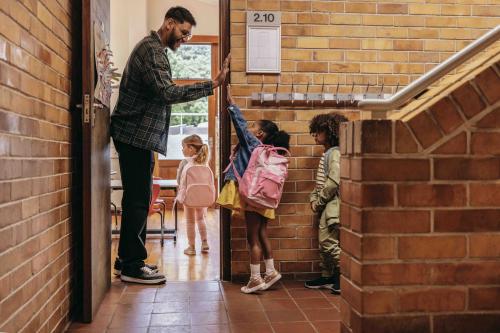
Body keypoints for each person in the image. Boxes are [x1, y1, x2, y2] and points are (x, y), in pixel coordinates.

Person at [110, 6, 230, 284]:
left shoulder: (154, 50)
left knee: (139, 199)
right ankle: (131, 265)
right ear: (169, 23)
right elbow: (167, 92)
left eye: (188, 36)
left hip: (138, 136)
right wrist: (212, 84)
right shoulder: (152, 51)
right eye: (183, 33)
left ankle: (127, 259)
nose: (184, 39)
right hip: (134, 136)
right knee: (138, 201)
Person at [217, 85, 290, 294]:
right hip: (266, 198)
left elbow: (239, 125)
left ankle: (255, 279)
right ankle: (271, 271)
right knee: (262, 233)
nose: (248, 129)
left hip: (253, 196)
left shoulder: (253, 144)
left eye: (252, 127)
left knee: (252, 238)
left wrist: (231, 104)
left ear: (259, 133)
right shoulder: (271, 152)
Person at [304, 113, 347, 294]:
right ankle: (328, 275)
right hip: (325, 203)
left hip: (332, 203)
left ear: (330, 132)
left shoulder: (335, 152)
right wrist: (314, 199)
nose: (315, 135)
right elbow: (320, 183)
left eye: (318, 131)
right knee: (324, 244)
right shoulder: (328, 153)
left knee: (327, 241)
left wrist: (320, 201)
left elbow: (334, 181)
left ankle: (347, 275)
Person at [176, 135, 212, 256]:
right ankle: (205, 242)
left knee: (190, 221)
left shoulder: (186, 163)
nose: (182, 150)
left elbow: (179, 181)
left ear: (191, 148)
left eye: (183, 147)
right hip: (202, 197)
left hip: (189, 197)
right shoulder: (204, 163)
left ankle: (191, 248)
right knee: (201, 218)